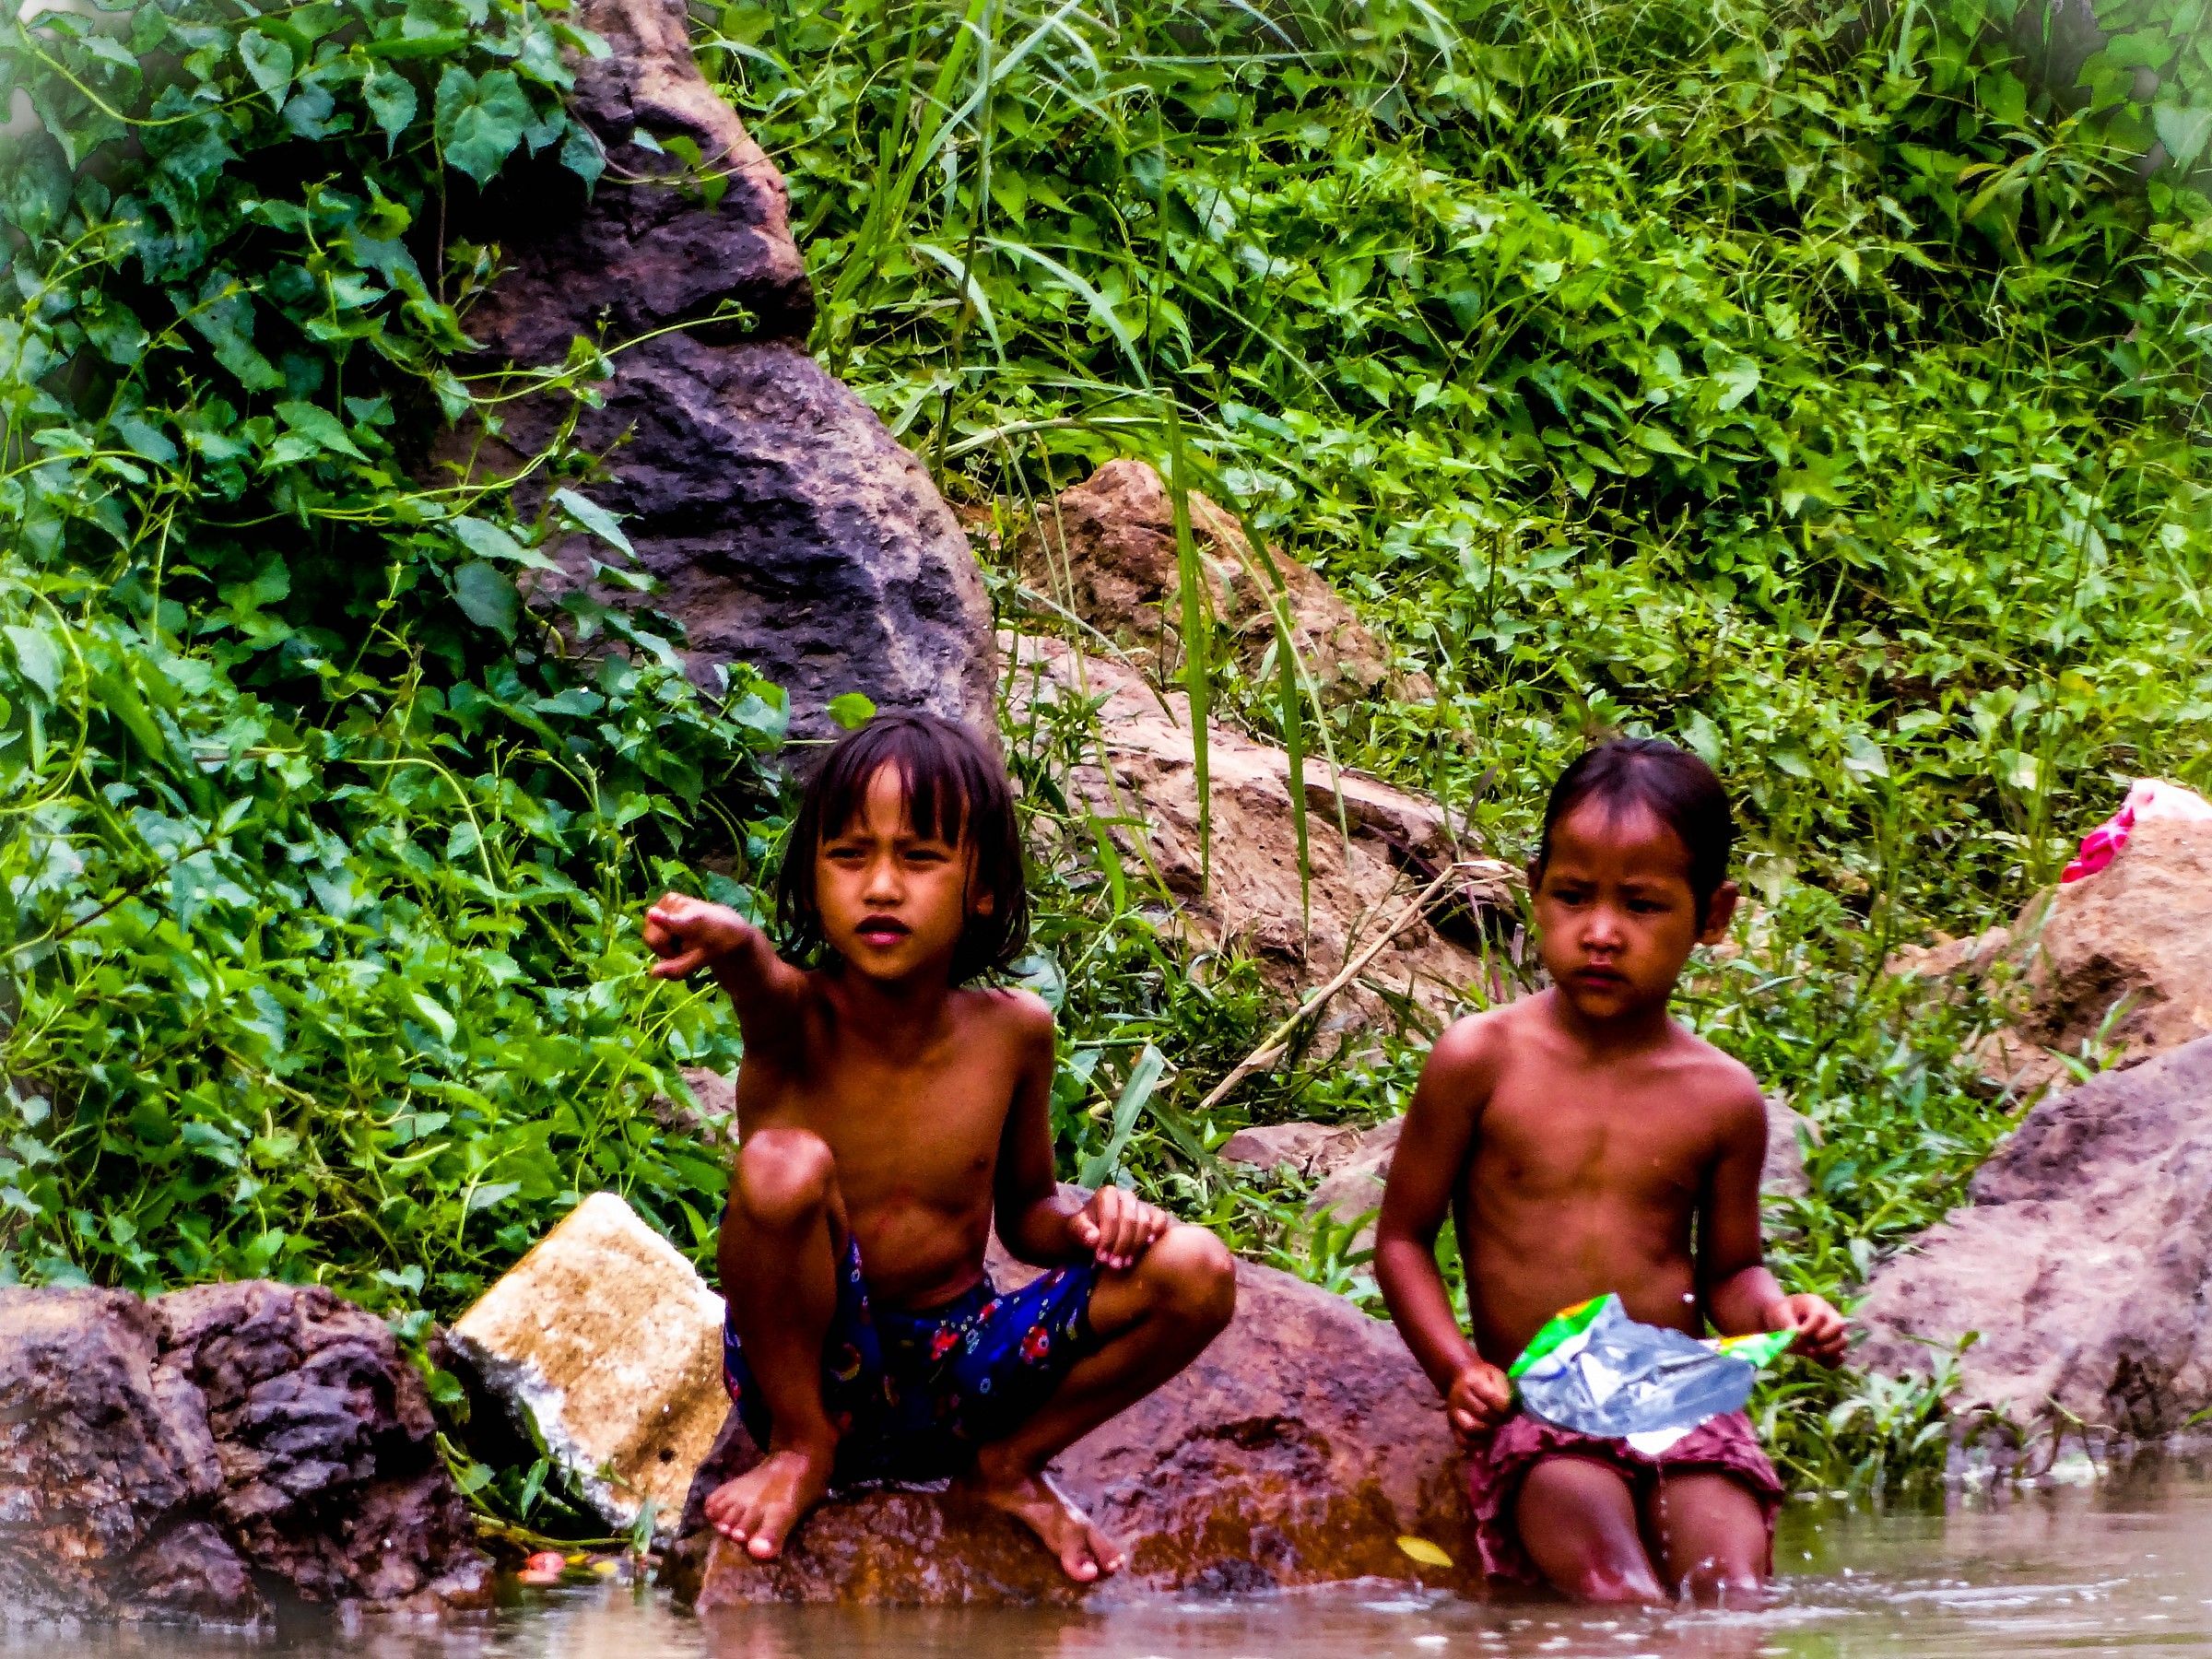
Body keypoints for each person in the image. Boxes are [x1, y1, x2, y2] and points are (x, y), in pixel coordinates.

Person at [641, 712, 1236, 1583]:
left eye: (919, 859)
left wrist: (1096, 1227)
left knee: (1198, 1268)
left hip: (965, 1366)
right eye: (850, 856)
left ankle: (1005, 1466)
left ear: (983, 888)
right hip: (816, 1373)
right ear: (813, 879)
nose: (881, 886)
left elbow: (1028, 1215)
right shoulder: (794, 1018)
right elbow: (758, 979)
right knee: (781, 1164)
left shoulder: (1015, 1034)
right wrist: (733, 943)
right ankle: (803, 1453)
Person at [1374, 737, 1848, 1605]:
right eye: (1573, 896)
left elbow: (1730, 1272)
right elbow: (1403, 1240)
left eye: (1642, 905)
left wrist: (1782, 1313)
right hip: (1544, 1410)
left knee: (1736, 1594)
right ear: (1533, 888)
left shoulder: (1721, 1096)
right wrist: (1459, 1372)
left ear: (1714, 916)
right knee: (1616, 1596)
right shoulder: (1481, 1060)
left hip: (1676, 1395)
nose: (1600, 932)